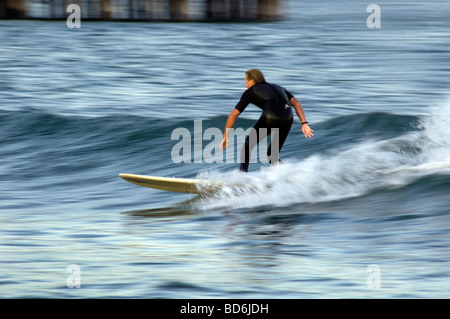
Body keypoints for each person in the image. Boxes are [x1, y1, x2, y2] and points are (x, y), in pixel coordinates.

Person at [220, 69, 314, 173]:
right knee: (272, 155)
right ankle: (290, 173)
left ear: (252, 81)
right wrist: (304, 123)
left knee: (248, 144)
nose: (246, 85)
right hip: (288, 118)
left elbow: (233, 115)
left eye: (246, 82)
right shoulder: (278, 87)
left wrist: (225, 136)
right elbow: (296, 103)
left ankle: (242, 175)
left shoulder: (250, 91)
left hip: (271, 116)